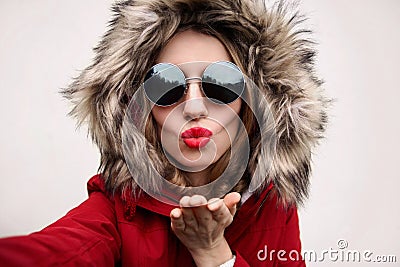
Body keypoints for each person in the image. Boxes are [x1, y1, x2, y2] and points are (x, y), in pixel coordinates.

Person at [0, 0, 328, 266]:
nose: (194, 106)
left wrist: (213, 252)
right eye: (167, 85)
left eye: (222, 83)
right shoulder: (117, 211)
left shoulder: (272, 207)